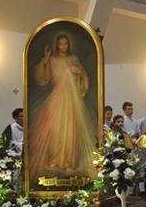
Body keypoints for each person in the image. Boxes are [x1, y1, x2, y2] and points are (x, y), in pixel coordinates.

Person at [29, 33, 96, 177]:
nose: (64, 46)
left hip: (71, 98)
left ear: (69, 45)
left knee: (70, 129)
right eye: (61, 44)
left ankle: (68, 163)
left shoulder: (74, 59)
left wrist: (79, 72)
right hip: (57, 97)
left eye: (66, 44)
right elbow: (44, 78)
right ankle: (55, 159)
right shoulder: (52, 59)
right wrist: (45, 61)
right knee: (56, 129)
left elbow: (83, 76)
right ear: (57, 45)